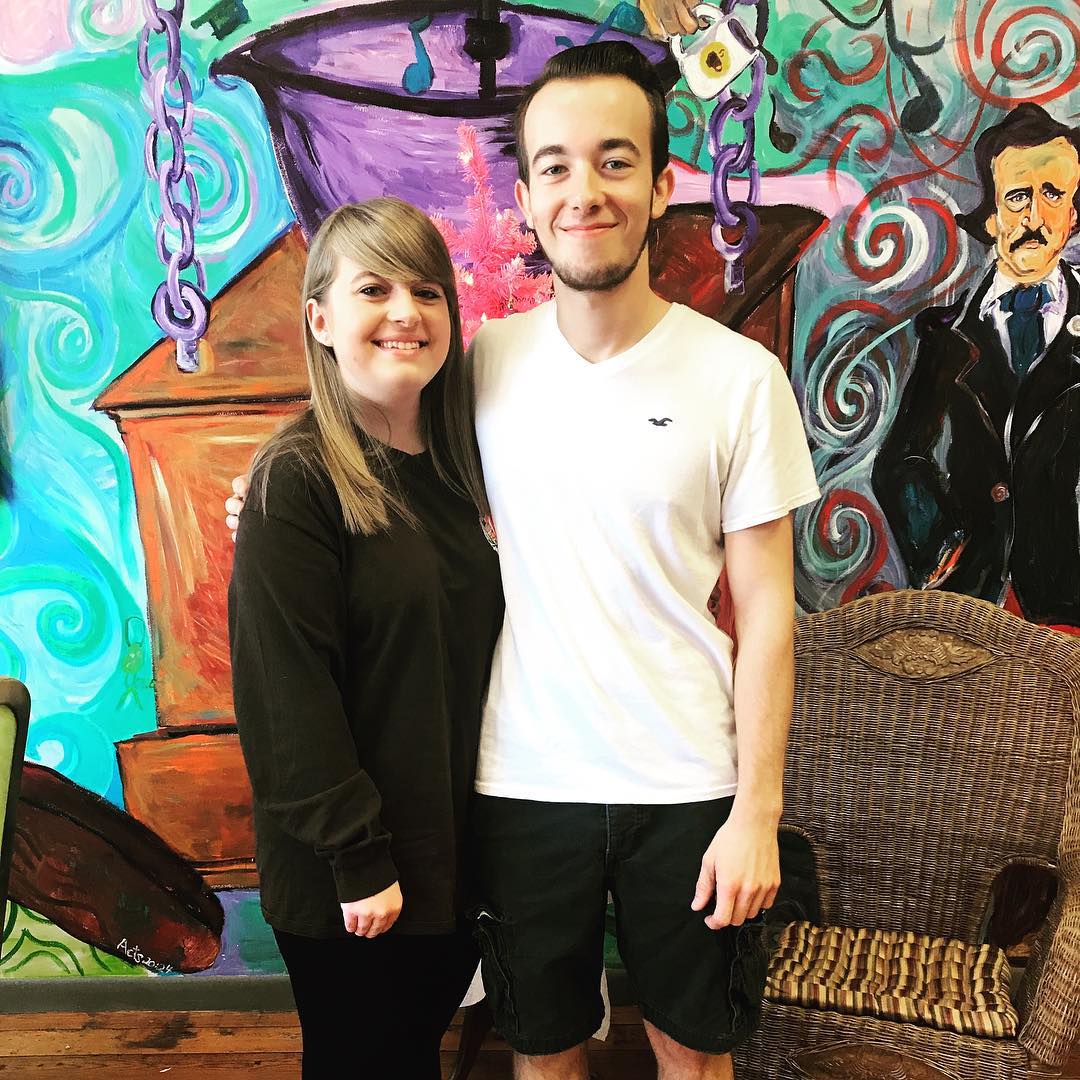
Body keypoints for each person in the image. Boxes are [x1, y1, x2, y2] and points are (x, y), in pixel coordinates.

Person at [228, 42, 819, 1080]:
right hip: (517, 785)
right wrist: (268, 488)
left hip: (689, 778)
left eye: (615, 160)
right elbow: (365, 432)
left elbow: (769, 613)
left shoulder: (741, 378)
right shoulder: (481, 365)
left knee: (694, 1051)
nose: (585, 190)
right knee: (542, 1051)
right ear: (528, 199)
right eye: (556, 165)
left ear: (661, 184)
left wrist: (757, 812)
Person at [227, 197, 504, 1079]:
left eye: (427, 291)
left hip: (449, 856)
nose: (404, 312)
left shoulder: (465, 467)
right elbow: (285, 697)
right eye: (374, 289)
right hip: (354, 871)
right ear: (320, 319)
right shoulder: (297, 479)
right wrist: (357, 856)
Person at [872, 103, 1080, 627]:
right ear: (991, 218)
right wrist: (946, 551)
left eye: (1053, 195)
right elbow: (900, 462)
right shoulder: (946, 338)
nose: (1035, 218)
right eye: (1018, 197)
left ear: (1074, 215)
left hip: (1068, 606)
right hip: (970, 606)